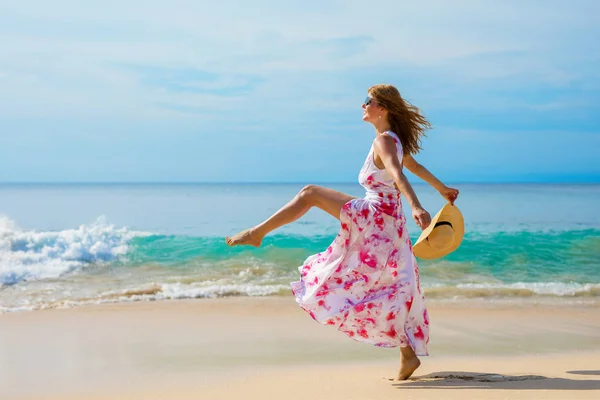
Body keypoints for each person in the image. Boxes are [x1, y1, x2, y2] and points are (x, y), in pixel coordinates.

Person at [226, 84, 459, 380]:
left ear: (382, 108)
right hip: (391, 223)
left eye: (368, 101)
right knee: (387, 285)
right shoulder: (392, 141)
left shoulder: (384, 142)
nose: (363, 106)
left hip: (376, 217)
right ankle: (407, 355)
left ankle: (257, 233)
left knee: (309, 193)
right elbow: (413, 165)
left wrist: (416, 205)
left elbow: (400, 173)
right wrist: (443, 189)